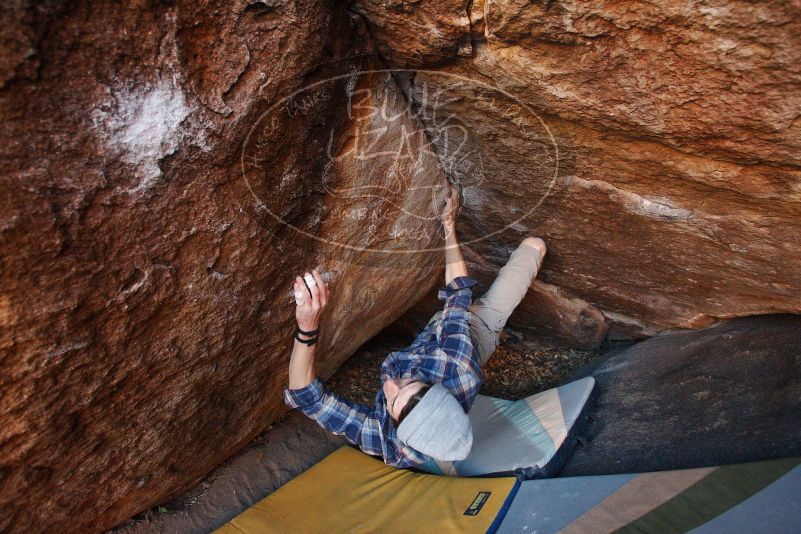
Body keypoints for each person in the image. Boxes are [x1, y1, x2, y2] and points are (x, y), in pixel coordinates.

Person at [284, 185, 547, 467]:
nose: (390, 385)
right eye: (408, 382)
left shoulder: (386, 440)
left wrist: (308, 325)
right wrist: (448, 225)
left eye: (394, 401)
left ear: (399, 430)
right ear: (436, 387)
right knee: (535, 245)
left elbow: (306, 396)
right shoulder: (455, 368)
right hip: (479, 326)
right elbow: (458, 294)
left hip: (439, 335)